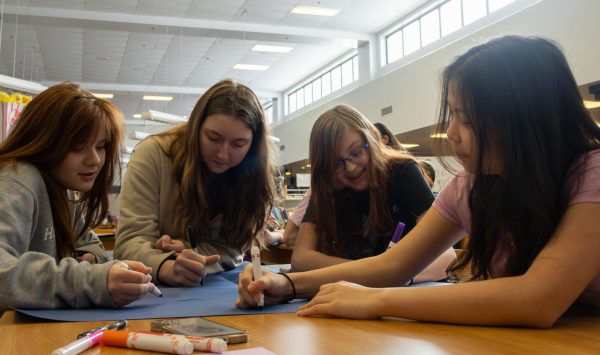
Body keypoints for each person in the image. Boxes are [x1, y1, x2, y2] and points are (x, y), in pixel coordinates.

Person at [236, 36, 600, 328]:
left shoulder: (591, 173)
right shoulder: (469, 187)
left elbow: (539, 299)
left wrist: (378, 300)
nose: (451, 133)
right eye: (453, 116)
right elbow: (390, 266)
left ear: (526, 120)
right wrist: (287, 285)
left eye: (467, 119)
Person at [0, 82, 155, 309]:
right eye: (77, 147)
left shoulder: (63, 187)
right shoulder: (18, 179)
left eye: (100, 146)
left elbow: (91, 245)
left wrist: (89, 260)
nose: (95, 160)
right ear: (43, 142)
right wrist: (91, 280)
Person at [114, 79, 275, 287]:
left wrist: (191, 254)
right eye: (213, 138)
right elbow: (129, 242)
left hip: (214, 287)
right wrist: (166, 264)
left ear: (253, 145)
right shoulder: (153, 154)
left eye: (238, 144)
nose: (223, 154)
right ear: (196, 128)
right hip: (151, 287)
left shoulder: (255, 178)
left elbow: (234, 247)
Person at [290, 105, 455, 274]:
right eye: (336, 163)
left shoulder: (403, 171)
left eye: (356, 152)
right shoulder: (328, 188)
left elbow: (446, 257)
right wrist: (372, 272)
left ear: (373, 139)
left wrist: (393, 275)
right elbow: (300, 258)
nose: (351, 168)